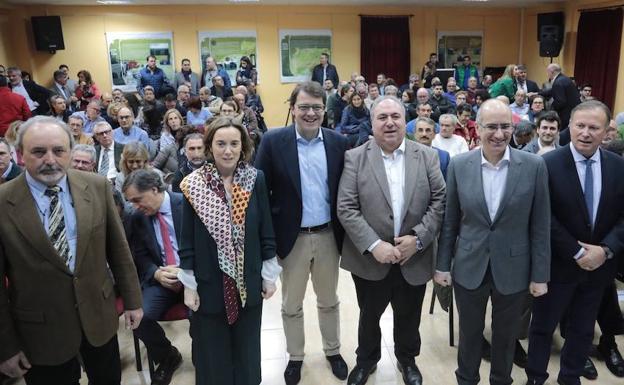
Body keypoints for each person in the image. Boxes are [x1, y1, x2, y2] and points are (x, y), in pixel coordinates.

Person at [0, 116, 143, 385]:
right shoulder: (3, 203)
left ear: (70, 150)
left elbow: (119, 250)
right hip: (41, 333)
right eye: (39, 152)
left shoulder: (97, 186)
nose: (50, 160)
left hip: (99, 319)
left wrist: (133, 300)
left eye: (58, 150)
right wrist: (5, 347)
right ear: (20, 154)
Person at [435, 99, 551, 385]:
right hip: (469, 265)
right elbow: (450, 222)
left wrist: (540, 276)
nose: (498, 134)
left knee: (505, 336)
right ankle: (467, 380)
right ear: (478, 129)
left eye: (505, 127)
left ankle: (502, 380)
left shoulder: (534, 166)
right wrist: (442, 266)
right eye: (491, 127)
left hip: (514, 267)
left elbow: (540, 225)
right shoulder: (460, 165)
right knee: (470, 334)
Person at [338, 96, 445, 385]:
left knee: (409, 315)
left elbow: (440, 200)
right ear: (372, 123)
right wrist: (375, 245)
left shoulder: (427, 156)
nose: (389, 122)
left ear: (405, 120)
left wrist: (419, 239)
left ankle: (407, 360)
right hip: (370, 259)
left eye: (395, 116)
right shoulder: (355, 157)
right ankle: (366, 360)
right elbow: (346, 207)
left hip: (415, 256)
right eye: (382, 117)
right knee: (369, 315)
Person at [254, 81, 349, 385]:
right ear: (292, 108)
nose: (310, 113)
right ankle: (295, 357)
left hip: (327, 237)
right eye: (304, 107)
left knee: (329, 300)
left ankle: (333, 351)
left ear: (325, 110)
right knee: (291, 304)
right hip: (290, 239)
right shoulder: (273, 141)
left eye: (317, 108)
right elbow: (260, 191)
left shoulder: (338, 142)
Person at [526, 100, 624, 385]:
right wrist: (578, 250)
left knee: (582, 329)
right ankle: (536, 377)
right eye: (580, 125)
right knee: (543, 328)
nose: (585, 133)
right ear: (569, 126)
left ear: (606, 131)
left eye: (594, 127)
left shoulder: (619, 167)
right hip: (557, 266)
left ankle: (570, 377)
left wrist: (605, 250)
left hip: (599, 268)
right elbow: (542, 217)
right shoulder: (546, 164)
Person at [177, 117, 280, 385]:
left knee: (247, 355)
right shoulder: (193, 184)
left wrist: (269, 275)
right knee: (214, 357)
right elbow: (186, 239)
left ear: (243, 146)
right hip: (209, 284)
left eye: (234, 144)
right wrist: (188, 284)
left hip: (248, 282)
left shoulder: (255, 179)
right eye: (221, 143)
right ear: (210, 146)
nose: (228, 150)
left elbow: (266, 230)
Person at [123, 170, 185, 385]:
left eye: (137, 200)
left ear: (155, 189)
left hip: (192, 277)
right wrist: (155, 273)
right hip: (160, 280)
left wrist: (184, 271)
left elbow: (207, 247)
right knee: (138, 319)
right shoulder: (137, 217)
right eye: (131, 202)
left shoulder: (187, 204)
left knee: (204, 315)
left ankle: (206, 357)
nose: (135, 206)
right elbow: (139, 255)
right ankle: (168, 356)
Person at [538, 64, 581, 138]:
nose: (547, 74)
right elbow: (552, 91)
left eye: (547, 72)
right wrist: (538, 93)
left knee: (563, 136)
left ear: (552, 72)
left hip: (566, 115)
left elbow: (560, 102)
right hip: (574, 111)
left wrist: (550, 109)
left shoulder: (558, 82)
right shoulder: (564, 79)